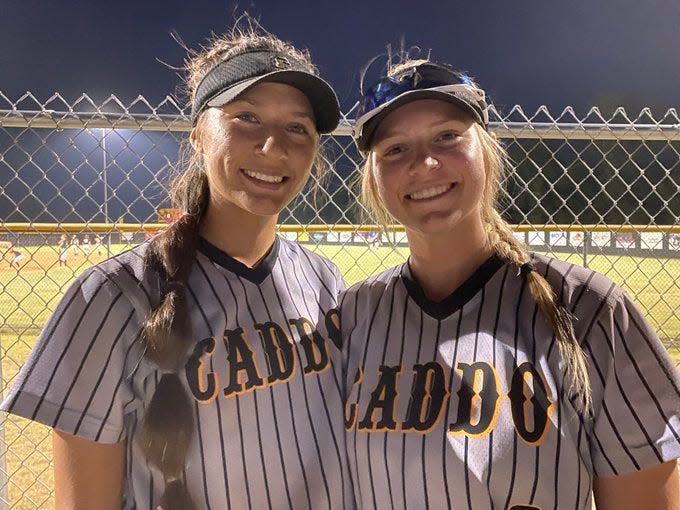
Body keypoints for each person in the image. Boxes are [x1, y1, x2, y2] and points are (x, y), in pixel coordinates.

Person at [1, 24, 353, 510]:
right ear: (198, 138)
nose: (274, 146)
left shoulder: (324, 280)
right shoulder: (109, 295)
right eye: (245, 117)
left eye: (298, 126)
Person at [340, 58, 680, 510]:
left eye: (447, 136)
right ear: (375, 177)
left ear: (486, 147)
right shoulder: (354, 315)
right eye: (395, 149)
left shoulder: (589, 310)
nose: (424, 163)